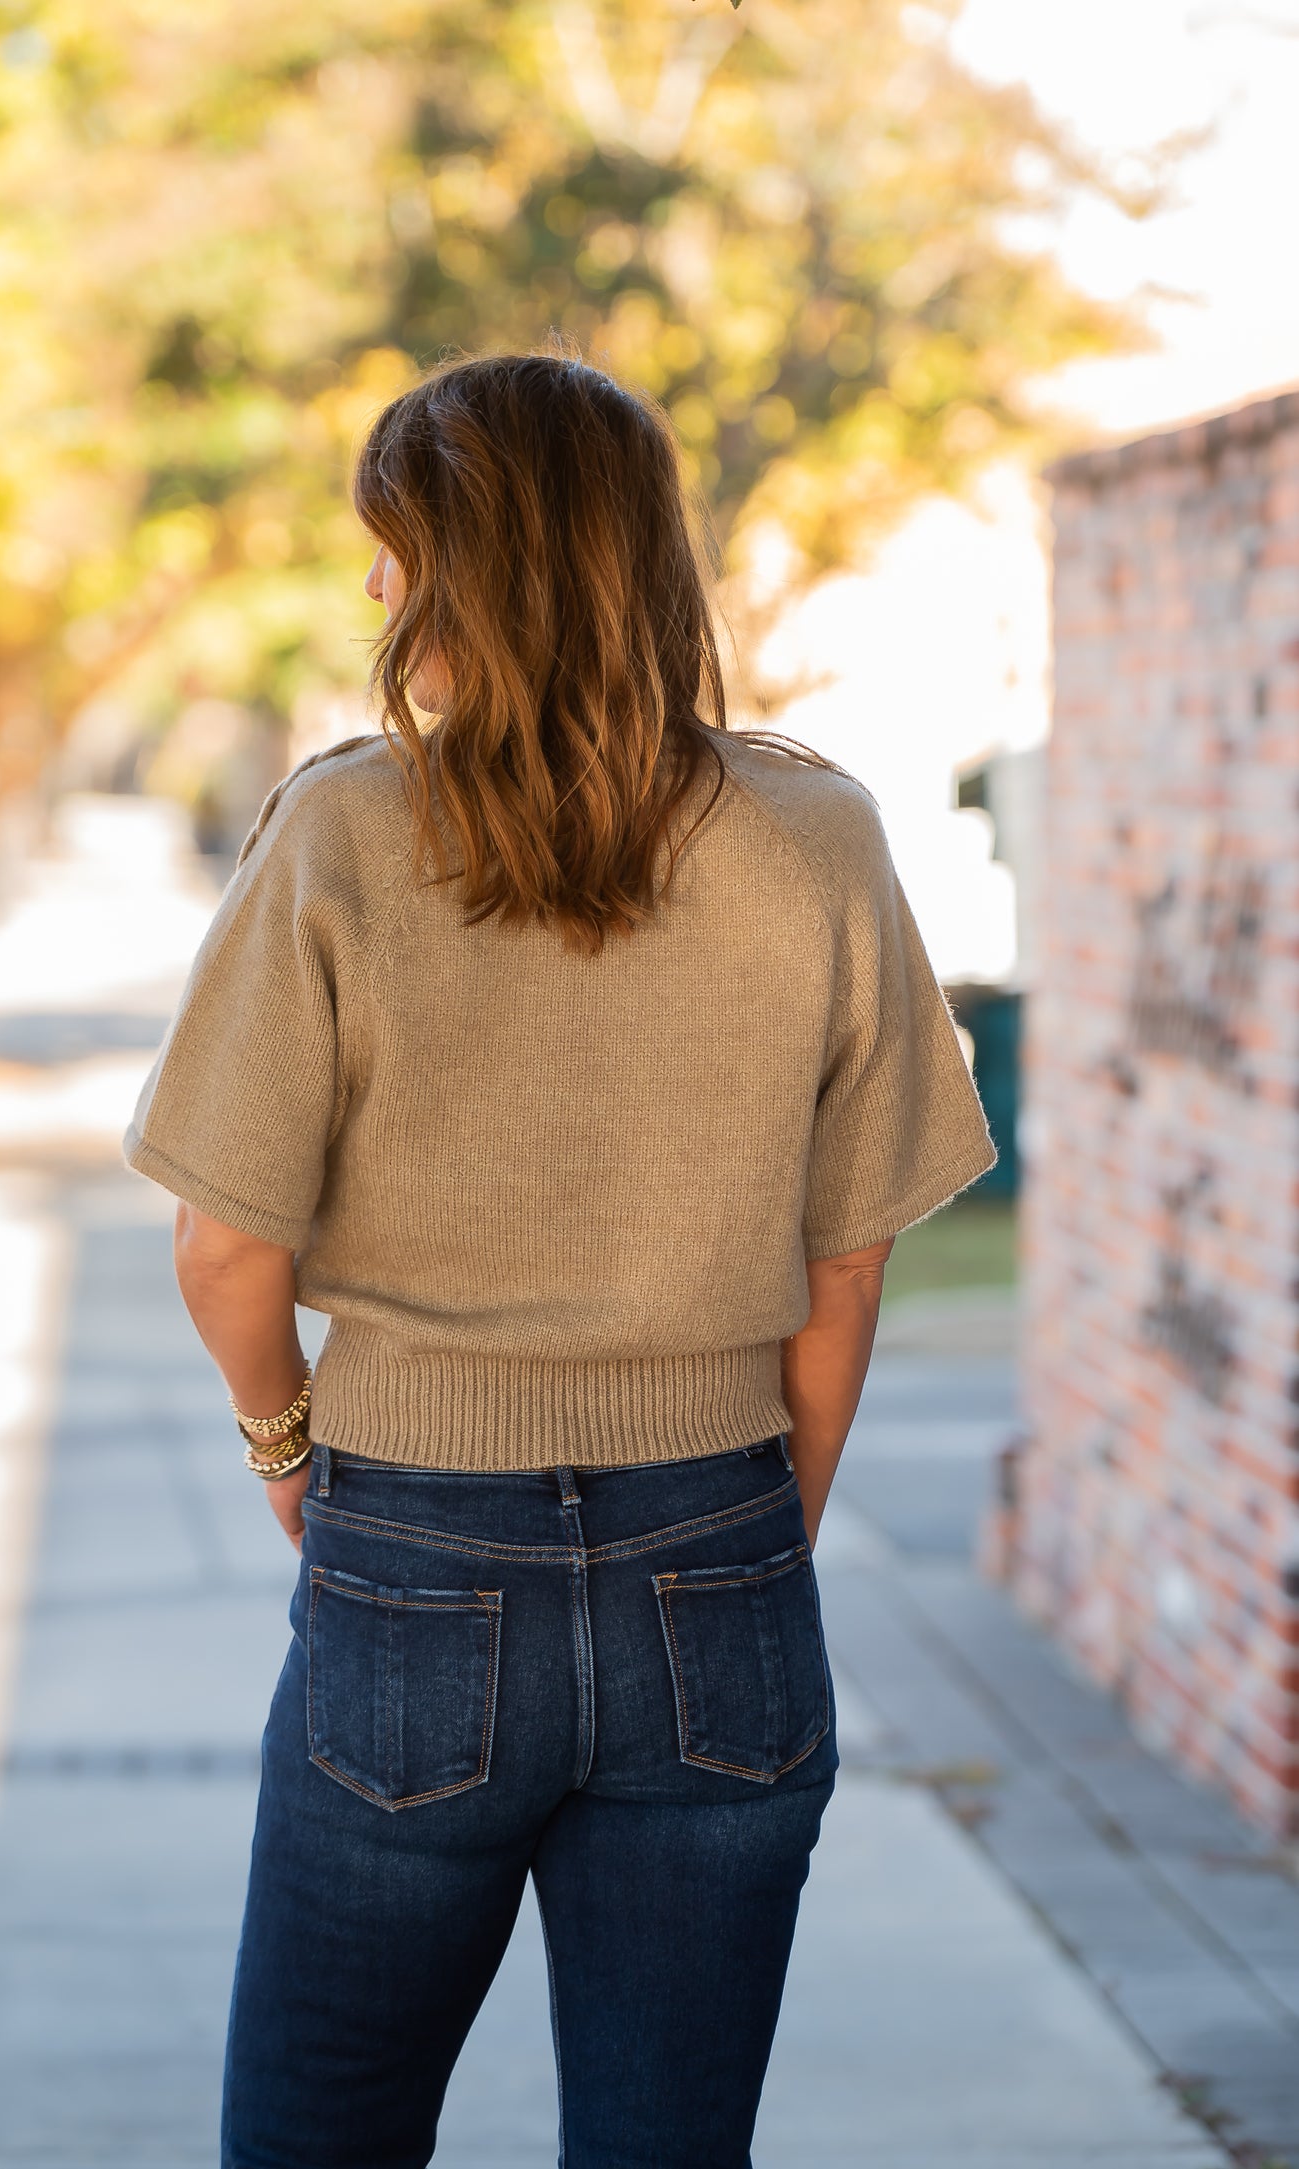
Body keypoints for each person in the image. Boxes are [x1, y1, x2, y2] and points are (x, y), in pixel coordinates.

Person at [123, 349, 995, 2169]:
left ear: (486, 568)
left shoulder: (345, 833)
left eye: (402, 545)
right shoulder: (820, 841)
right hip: (724, 1554)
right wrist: (748, 1535)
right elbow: (845, 1278)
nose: (374, 585)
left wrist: (295, 1460)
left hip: (412, 1554)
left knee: (314, 2135)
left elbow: (225, 1246)